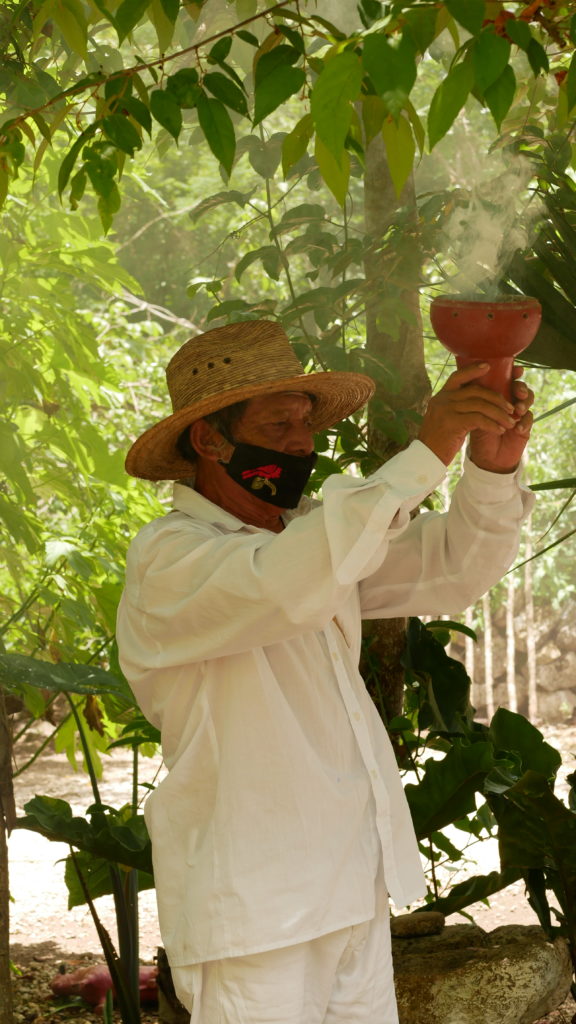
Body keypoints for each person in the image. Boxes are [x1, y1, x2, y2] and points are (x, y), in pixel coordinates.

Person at [116, 319, 534, 1024]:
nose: (300, 444)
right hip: (253, 914)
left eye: (304, 423)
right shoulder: (170, 559)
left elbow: (455, 566)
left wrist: (490, 466)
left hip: (348, 894)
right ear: (208, 440)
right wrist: (425, 452)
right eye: (278, 424)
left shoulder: (310, 538)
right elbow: (285, 584)